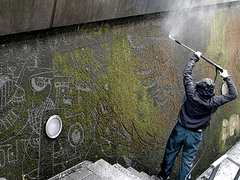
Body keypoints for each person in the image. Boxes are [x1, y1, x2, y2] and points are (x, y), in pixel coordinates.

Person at [157, 51, 238, 180]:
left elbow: (187, 73)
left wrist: (195, 57)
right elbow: (233, 94)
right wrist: (227, 77)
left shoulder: (191, 93)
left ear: (198, 87)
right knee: (187, 162)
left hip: (180, 130)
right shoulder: (214, 101)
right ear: (211, 92)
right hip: (195, 135)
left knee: (170, 153)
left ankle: (163, 176)